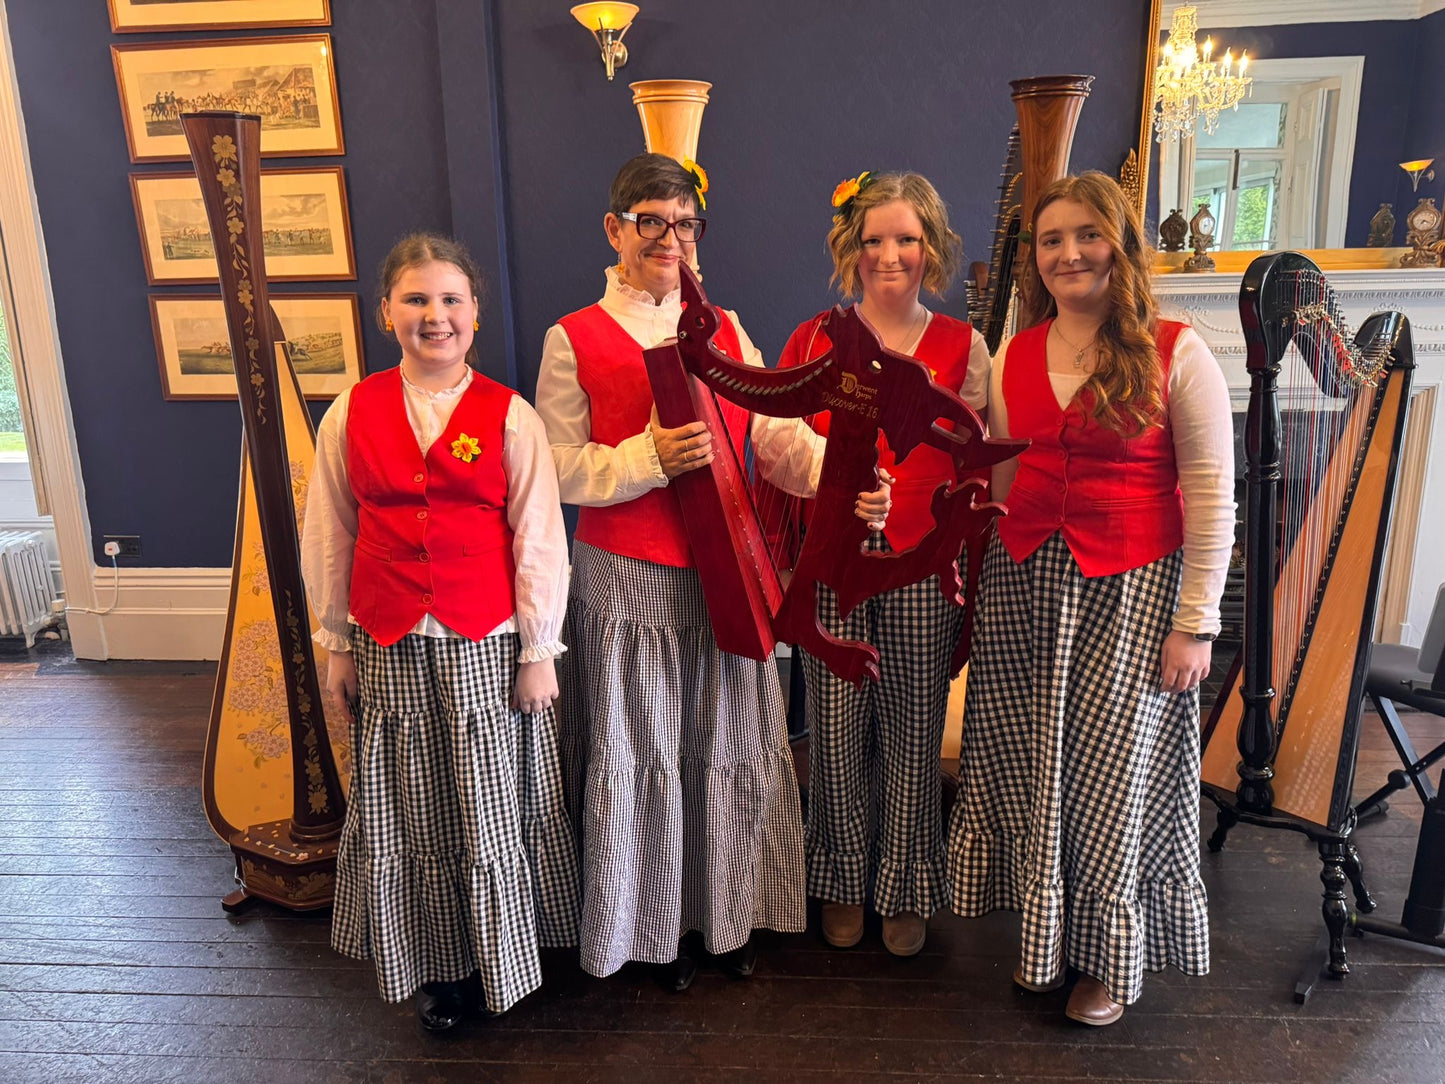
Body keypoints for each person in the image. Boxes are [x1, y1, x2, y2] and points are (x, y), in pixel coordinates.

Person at [536, 153, 882, 990]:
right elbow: (554, 468)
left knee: (722, 745)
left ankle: (720, 922)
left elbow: (775, 437)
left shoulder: (724, 326)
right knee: (643, 750)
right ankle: (643, 928)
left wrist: (844, 478)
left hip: (728, 571)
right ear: (615, 230)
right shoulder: (573, 334)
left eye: (684, 224)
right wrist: (646, 457)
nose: (670, 238)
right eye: (650, 221)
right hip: (627, 577)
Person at [945, 172, 1235, 1025]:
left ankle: (1107, 959)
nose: (1067, 253)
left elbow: (1212, 494)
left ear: (1119, 243)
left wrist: (1195, 625)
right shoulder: (1013, 353)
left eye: (1085, 235)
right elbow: (1001, 473)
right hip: (1024, 584)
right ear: (1034, 259)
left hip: (1133, 590)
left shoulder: (1179, 350)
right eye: (1049, 240)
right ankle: (1045, 942)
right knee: (1036, 768)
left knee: (1113, 775)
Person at [301, 234, 577, 1032]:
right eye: (417, 299)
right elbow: (330, 532)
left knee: (488, 801)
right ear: (387, 311)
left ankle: (508, 953)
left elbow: (538, 539)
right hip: (388, 639)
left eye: (451, 299)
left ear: (475, 314)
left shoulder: (509, 415)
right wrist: (336, 642)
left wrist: (537, 651)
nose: (435, 316)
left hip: (484, 639)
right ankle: (443, 968)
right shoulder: (351, 413)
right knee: (415, 805)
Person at [754, 171, 988, 957]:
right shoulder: (814, 336)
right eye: (874, 239)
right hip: (837, 562)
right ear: (849, 248)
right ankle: (840, 881)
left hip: (923, 563)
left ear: (932, 248)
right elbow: (772, 440)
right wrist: (839, 470)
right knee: (836, 727)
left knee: (915, 729)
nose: (890, 255)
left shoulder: (965, 346)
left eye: (907, 239)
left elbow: (976, 462)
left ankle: (906, 884)